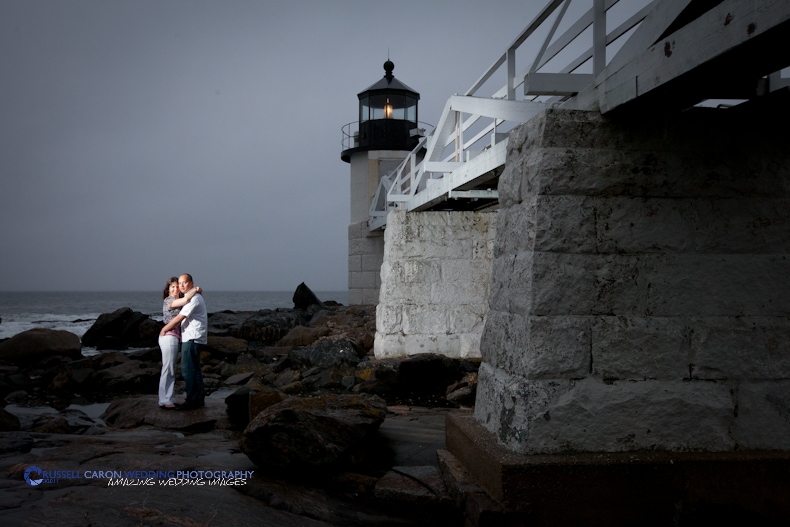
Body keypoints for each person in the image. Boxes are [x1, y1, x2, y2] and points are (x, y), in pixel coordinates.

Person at [159, 273, 207, 410]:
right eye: (174, 286)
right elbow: (181, 309)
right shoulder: (171, 301)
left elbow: (179, 318)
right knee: (174, 369)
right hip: (173, 336)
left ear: (191, 283)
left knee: (188, 370)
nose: (178, 287)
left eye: (181, 284)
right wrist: (164, 330)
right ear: (168, 289)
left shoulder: (193, 299)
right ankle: (168, 399)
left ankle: (193, 400)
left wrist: (196, 290)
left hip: (189, 337)